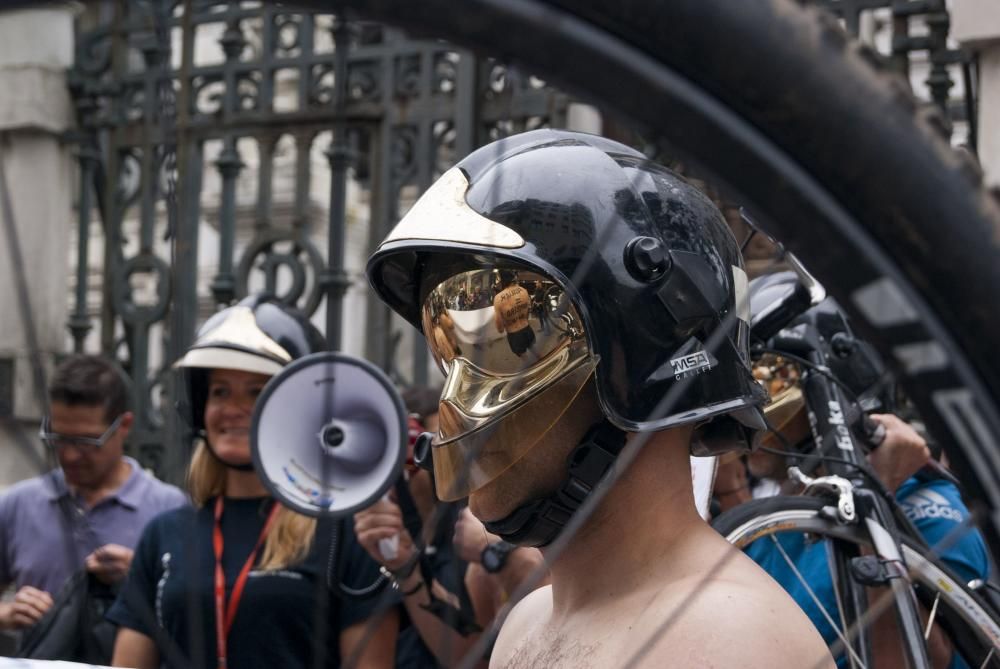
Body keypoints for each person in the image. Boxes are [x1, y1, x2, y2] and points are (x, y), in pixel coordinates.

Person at [365, 129, 835, 667]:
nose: (456, 402)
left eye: (510, 348)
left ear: (637, 361)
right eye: (450, 357)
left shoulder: (733, 641)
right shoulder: (529, 622)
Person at [107, 295, 398, 669]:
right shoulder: (164, 533)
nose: (233, 409)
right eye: (220, 391)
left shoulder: (346, 535)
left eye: (258, 392)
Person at [714, 298, 990, 668]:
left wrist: (874, 497)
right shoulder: (783, 514)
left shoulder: (927, 509)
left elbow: (909, 660)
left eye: (774, 381)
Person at [354, 386, 546, 668]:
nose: (442, 457)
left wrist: (500, 554)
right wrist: (404, 564)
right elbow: (465, 652)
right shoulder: (399, 526)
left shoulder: (484, 524)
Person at [0, 354, 186, 632]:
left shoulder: (168, 509)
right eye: (59, 439)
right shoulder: (18, 505)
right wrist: (8, 614)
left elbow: (193, 619)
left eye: (87, 441)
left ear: (124, 426)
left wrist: (143, 577)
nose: (70, 455)